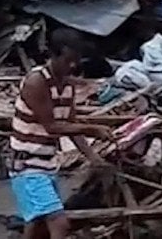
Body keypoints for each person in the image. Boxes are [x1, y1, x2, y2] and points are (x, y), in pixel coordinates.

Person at [8, 28, 113, 239]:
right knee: (59, 223)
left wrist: (94, 158)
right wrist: (92, 129)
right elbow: (52, 126)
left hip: (47, 163)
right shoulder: (36, 82)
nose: (72, 66)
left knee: (37, 225)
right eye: (68, 60)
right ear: (53, 55)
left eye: (75, 61)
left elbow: (71, 125)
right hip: (27, 165)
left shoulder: (67, 85)